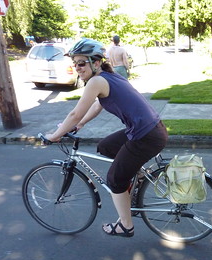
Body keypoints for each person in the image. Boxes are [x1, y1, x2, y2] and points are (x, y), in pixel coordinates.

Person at [45, 38, 168, 238]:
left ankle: (126, 226)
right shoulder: (109, 76)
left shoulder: (97, 81)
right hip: (150, 130)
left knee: (114, 180)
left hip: (146, 136)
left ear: (96, 62)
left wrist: (54, 136)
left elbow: (75, 113)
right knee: (106, 146)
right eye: (74, 63)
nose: (77, 67)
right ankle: (137, 177)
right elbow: (96, 106)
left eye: (81, 63)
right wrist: (81, 124)